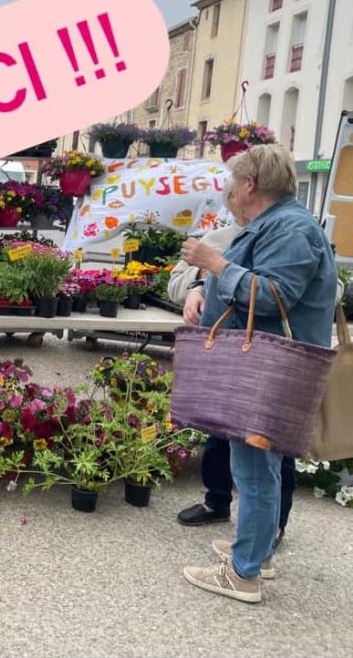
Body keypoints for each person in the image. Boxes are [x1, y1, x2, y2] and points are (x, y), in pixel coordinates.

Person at [179, 145, 337, 604]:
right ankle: (258, 552)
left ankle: (243, 573)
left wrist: (214, 265)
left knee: (254, 467)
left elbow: (274, 296)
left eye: (234, 181)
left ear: (250, 185)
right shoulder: (283, 224)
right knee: (256, 464)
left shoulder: (290, 228)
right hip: (262, 361)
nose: (229, 190)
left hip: (267, 365)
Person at [169, 185, 296, 539]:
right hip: (226, 348)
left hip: (269, 353)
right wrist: (199, 285)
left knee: (273, 443)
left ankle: (274, 527)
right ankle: (217, 500)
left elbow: (310, 291)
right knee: (219, 428)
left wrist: (218, 270)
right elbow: (175, 283)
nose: (242, 213)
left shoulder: (291, 235)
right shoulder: (220, 237)